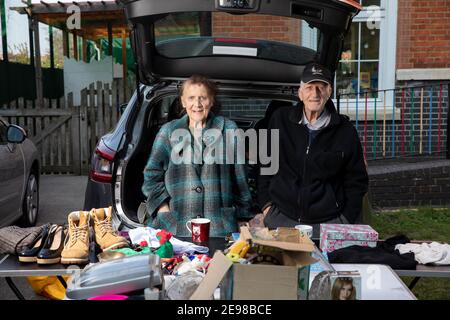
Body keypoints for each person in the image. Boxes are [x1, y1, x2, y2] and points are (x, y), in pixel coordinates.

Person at [255, 62, 369, 238]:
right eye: (309, 87)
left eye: (321, 87)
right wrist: (267, 207)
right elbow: (266, 165)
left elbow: (357, 180)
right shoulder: (280, 120)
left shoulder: (345, 130)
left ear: (329, 92)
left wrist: (345, 219)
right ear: (300, 93)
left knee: (324, 266)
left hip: (328, 222)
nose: (315, 94)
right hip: (281, 218)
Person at [141, 74, 253, 237]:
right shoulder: (168, 131)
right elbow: (151, 174)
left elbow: (240, 179)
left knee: (218, 263)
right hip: (176, 225)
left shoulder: (229, 129)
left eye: (203, 98)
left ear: (212, 100)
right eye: (191, 98)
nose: (197, 104)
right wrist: (162, 208)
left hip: (219, 226)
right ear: (183, 101)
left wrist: (243, 215)